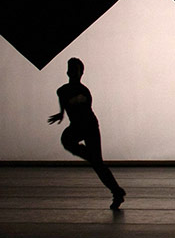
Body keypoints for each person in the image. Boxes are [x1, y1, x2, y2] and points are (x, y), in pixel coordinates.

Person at [47, 58, 126, 209]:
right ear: (68, 72)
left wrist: (67, 110)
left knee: (97, 164)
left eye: (76, 69)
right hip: (77, 126)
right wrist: (60, 113)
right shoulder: (62, 91)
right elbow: (63, 104)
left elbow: (82, 105)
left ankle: (116, 192)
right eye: (71, 69)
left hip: (89, 126)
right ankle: (116, 190)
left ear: (81, 73)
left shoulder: (84, 91)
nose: (73, 72)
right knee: (69, 142)